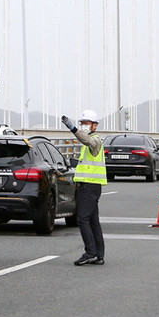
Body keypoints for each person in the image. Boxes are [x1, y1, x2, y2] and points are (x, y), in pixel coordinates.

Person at [61, 109, 106, 265]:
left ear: (95, 125)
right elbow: (87, 164)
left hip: (89, 187)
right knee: (93, 221)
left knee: (82, 219)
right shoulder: (88, 144)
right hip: (89, 186)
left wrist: (73, 129)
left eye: (86, 124)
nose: (83, 126)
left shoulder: (95, 141)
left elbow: (88, 141)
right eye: (81, 124)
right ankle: (98, 254)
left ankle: (90, 252)